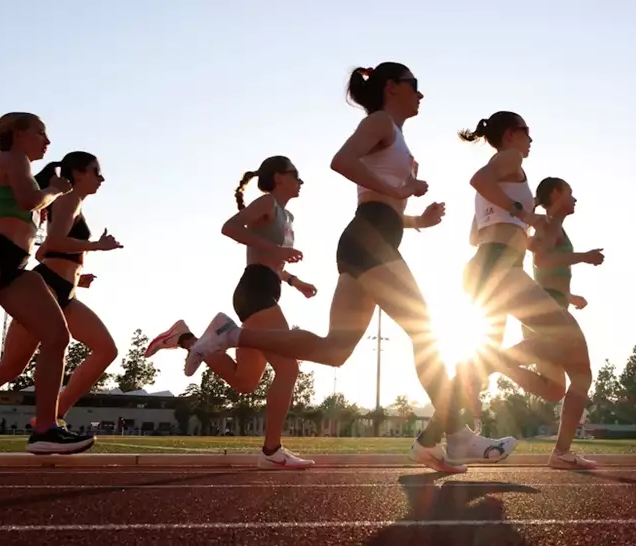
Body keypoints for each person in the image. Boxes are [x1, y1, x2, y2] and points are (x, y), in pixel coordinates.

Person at [159, 63, 517, 472]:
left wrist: (417, 219)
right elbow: (341, 161)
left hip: (370, 239)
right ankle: (455, 435)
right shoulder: (380, 121)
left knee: (335, 351)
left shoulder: (395, 135)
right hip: (370, 241)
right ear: (392, 87)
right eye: (415, 86)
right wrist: (402, 189)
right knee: (425, 329)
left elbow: (379, 200)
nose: (421, 95)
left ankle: (233, 334)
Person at [0, 152, 121, 466]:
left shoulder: (64, 200)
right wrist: (97, 247)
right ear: (77, 173)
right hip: (48, 287)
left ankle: (52, 418)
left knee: (104, 349)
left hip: (63, 290)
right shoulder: (67, 199)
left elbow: (44, 248)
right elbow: (50, 244)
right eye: (96, 171)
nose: (101, 178)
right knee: (10, 368)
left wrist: (79, 274)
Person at [147, 156, 320, 469]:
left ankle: (185, 338)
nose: (301, 182)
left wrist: (295, 281)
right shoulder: (266, 202)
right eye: (296, 176)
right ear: (279, 177)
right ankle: (271, 452)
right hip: (256, 291)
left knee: (245, 382)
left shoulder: (287, 214)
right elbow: (230, 228)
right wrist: (277, 252)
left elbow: (271, 260)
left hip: (264, 288)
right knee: (288, 368)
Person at [455, 111, 594, 468]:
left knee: (554, 387)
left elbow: (475, 234)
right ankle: (561, 452)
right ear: (513, 135)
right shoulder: (510, 159)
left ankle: (448, 434)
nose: (531, 141)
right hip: (501, 268)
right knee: (574, 357)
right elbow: (477, 179)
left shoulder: (500, 181)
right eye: (528, 133)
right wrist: (523, 212)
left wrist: (518, 229)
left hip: (486, 265)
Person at [518, 176, 602, 469]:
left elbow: (543, 264)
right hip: (547, 310)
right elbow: (542, 261)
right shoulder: (550, 222)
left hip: (548, 306)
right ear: (555, 193)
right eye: (570, 192)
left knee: (554, 389)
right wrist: (584, 257)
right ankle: (562, 453)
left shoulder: (549, 224)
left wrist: (570, 295)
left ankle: (499, 363)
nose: (575, 198)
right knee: (582, 374)